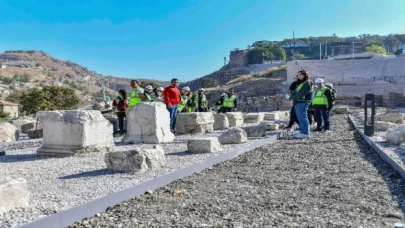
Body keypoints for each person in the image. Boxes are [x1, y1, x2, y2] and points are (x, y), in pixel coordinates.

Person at [289, 70, 313, 139]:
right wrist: (291, 98)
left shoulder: (307, 82)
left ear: (305, 75)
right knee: (300, 117)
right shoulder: (300, 83)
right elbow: (295, 92)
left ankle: (305, 133)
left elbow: (301, 93)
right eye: (298, 74)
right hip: (298, 102)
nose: (299, 76)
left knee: (303, 117)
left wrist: (293, 99)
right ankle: (303, 131)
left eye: (301, 74)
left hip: (303, 101)